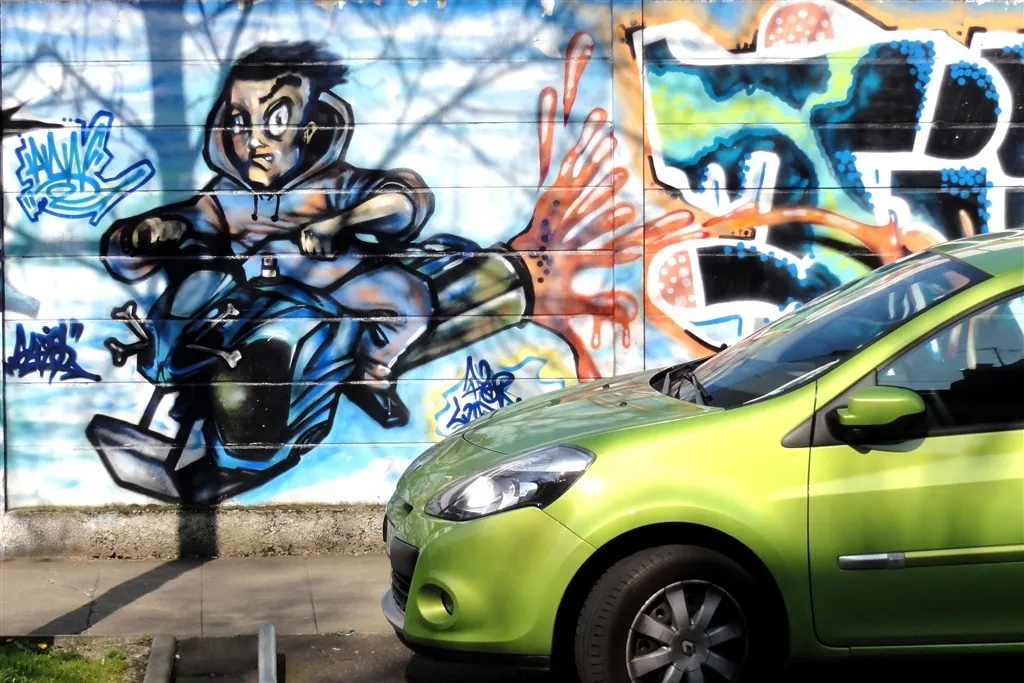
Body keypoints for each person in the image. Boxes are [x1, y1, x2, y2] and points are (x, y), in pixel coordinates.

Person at [100, 41, 436, 427]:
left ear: (309, 129)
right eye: (240, 122)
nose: (254, 141)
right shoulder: (228, 195)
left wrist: (340, 222)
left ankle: (370, 374)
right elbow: (192, 220)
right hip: (243, 292)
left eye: (275, 120)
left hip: (327, 283)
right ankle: (191, 395)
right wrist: (146, 236)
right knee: (192, 315)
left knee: (410, 299)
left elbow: (403, 202)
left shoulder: (333, 185)